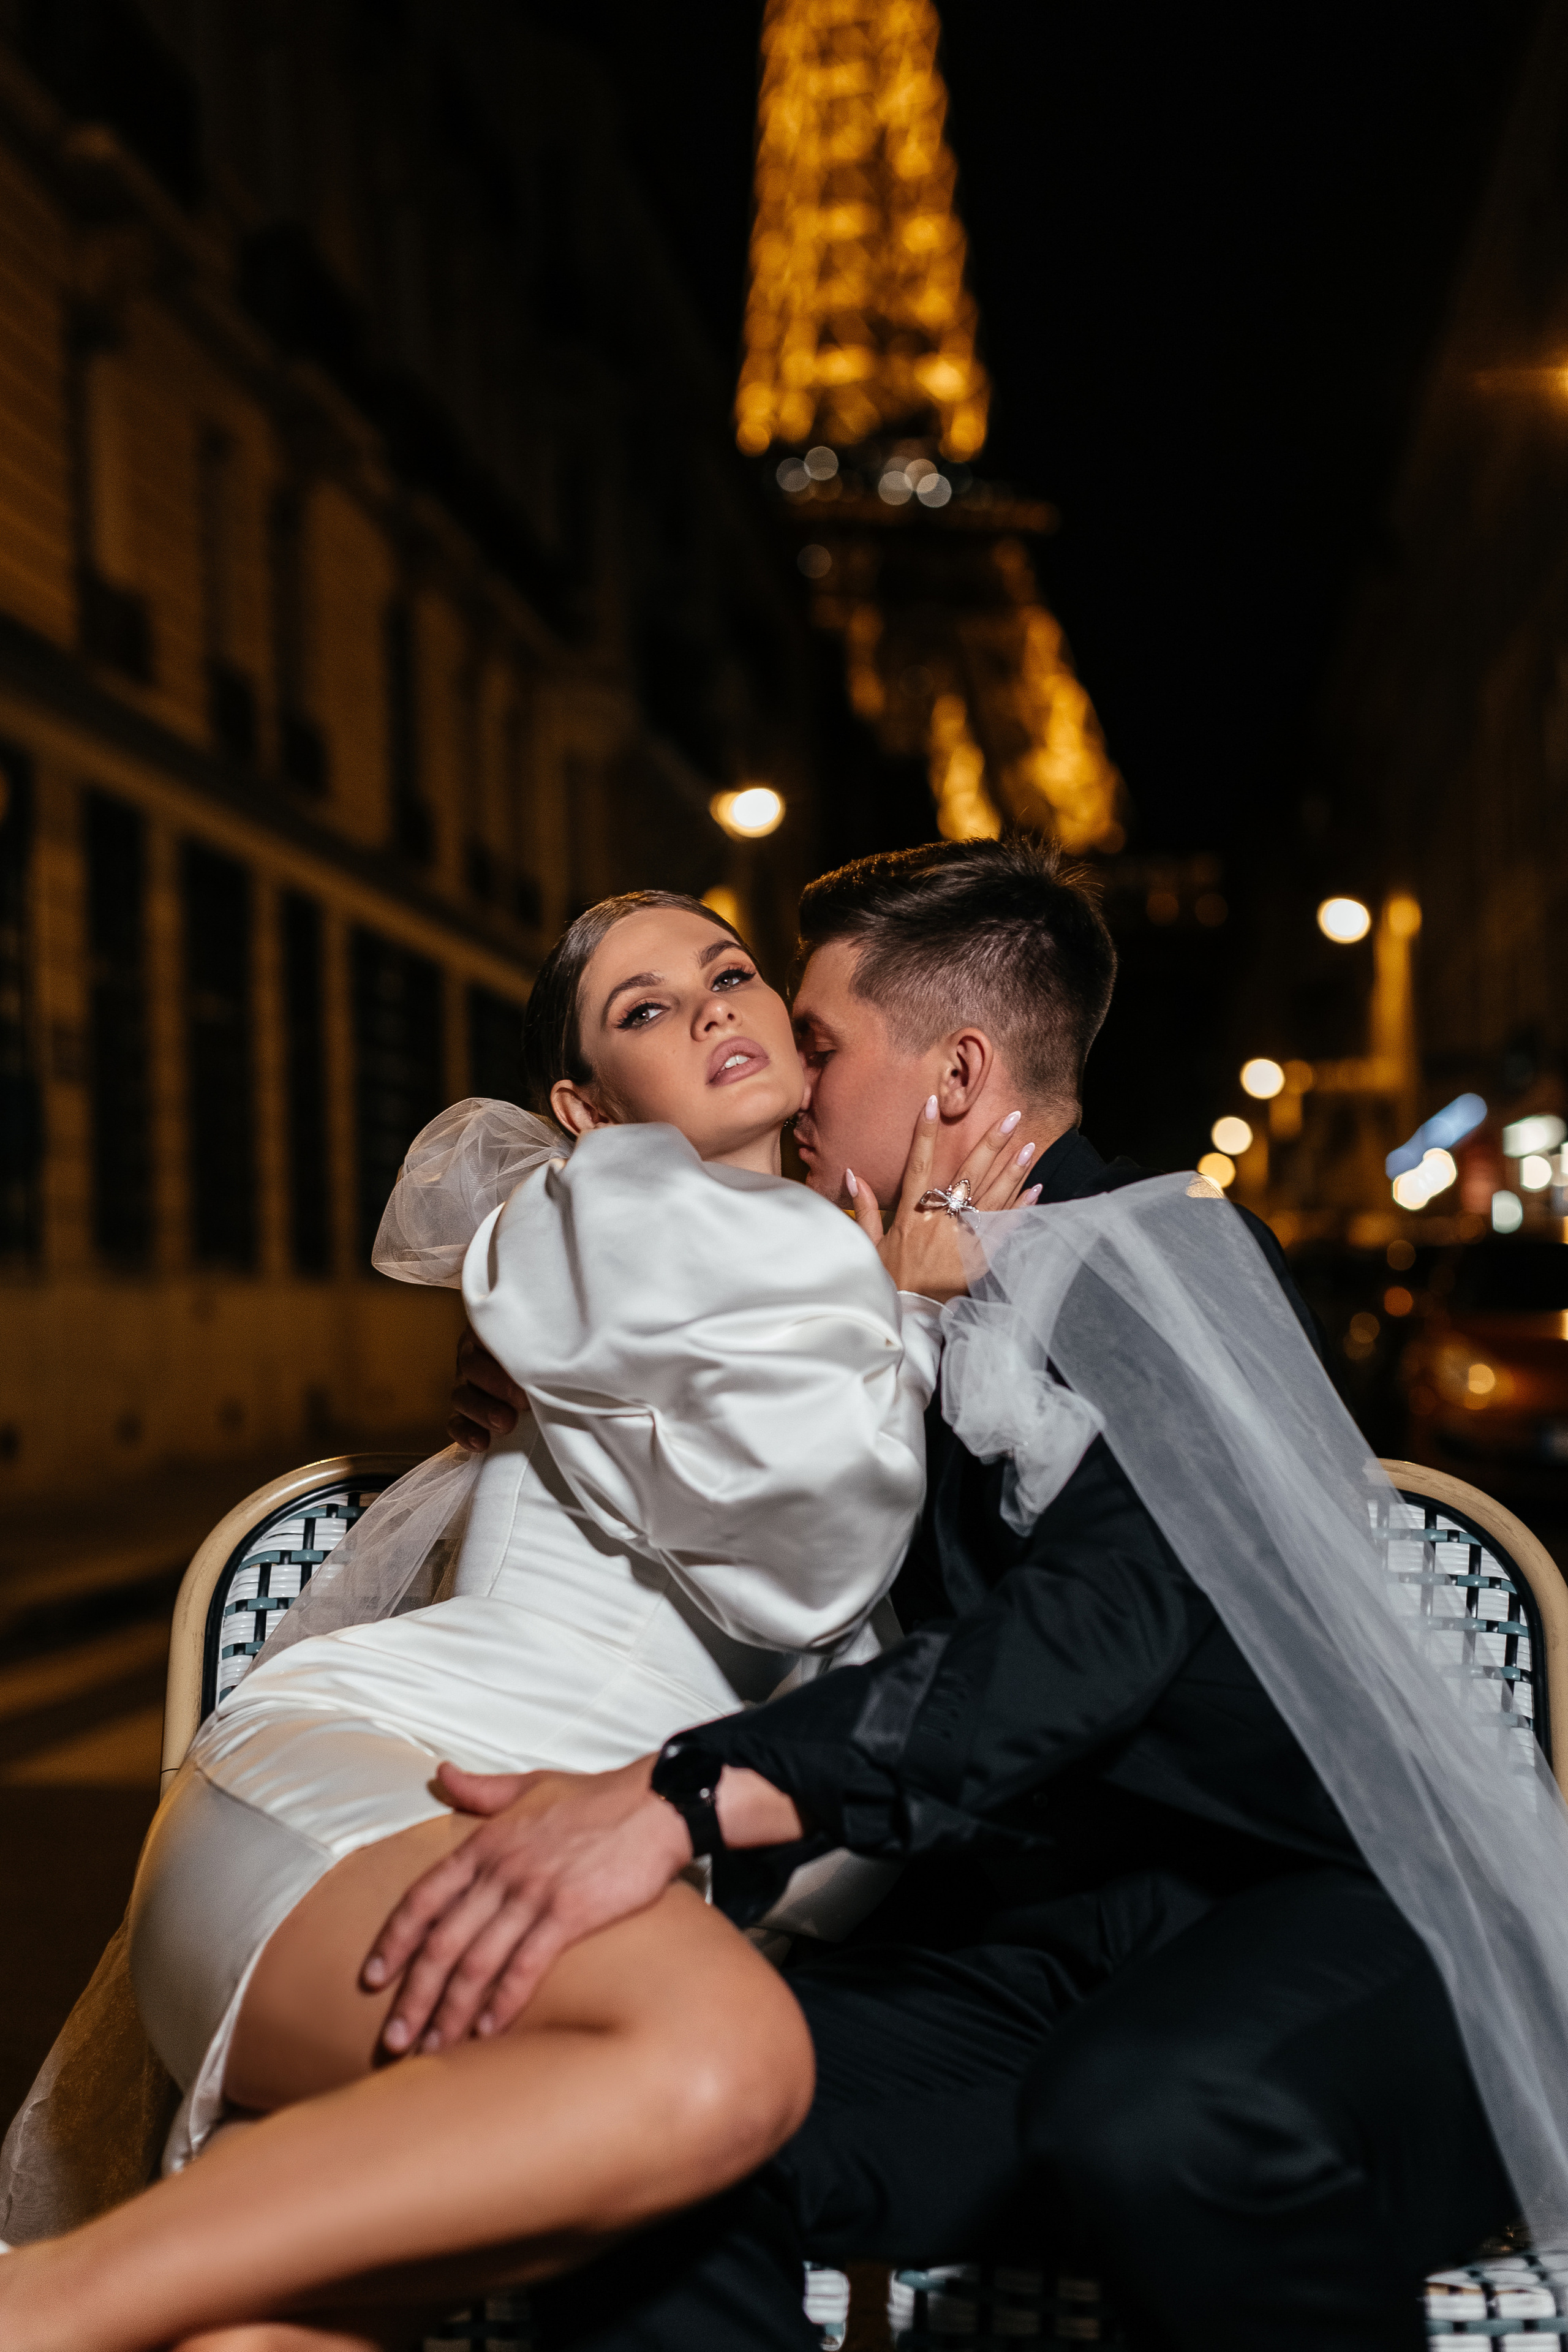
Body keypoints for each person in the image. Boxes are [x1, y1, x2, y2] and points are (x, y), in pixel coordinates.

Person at [417, 837, 1527, 2352]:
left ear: (952, 1078)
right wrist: (542, 1392)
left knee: (1150, 2110)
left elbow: (1098, 1627)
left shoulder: (1161, 1250)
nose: (791, 1085)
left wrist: (690, 1796)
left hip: (1334, 1922)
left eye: (817, 1047)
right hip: (1037, 1954)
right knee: (634, 2118)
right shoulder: (864, 1294)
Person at [0, 885, 1041, 2352]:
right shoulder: (634, 1204)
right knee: (723, 2053)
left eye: (730, 972)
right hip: (373, 1804)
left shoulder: (751, 1257)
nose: (710, 1006)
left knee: (288, 2328)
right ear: (585, 1107)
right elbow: (813, 1551)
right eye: (644, 1008)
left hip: (520, 1875)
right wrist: (905, 1318)